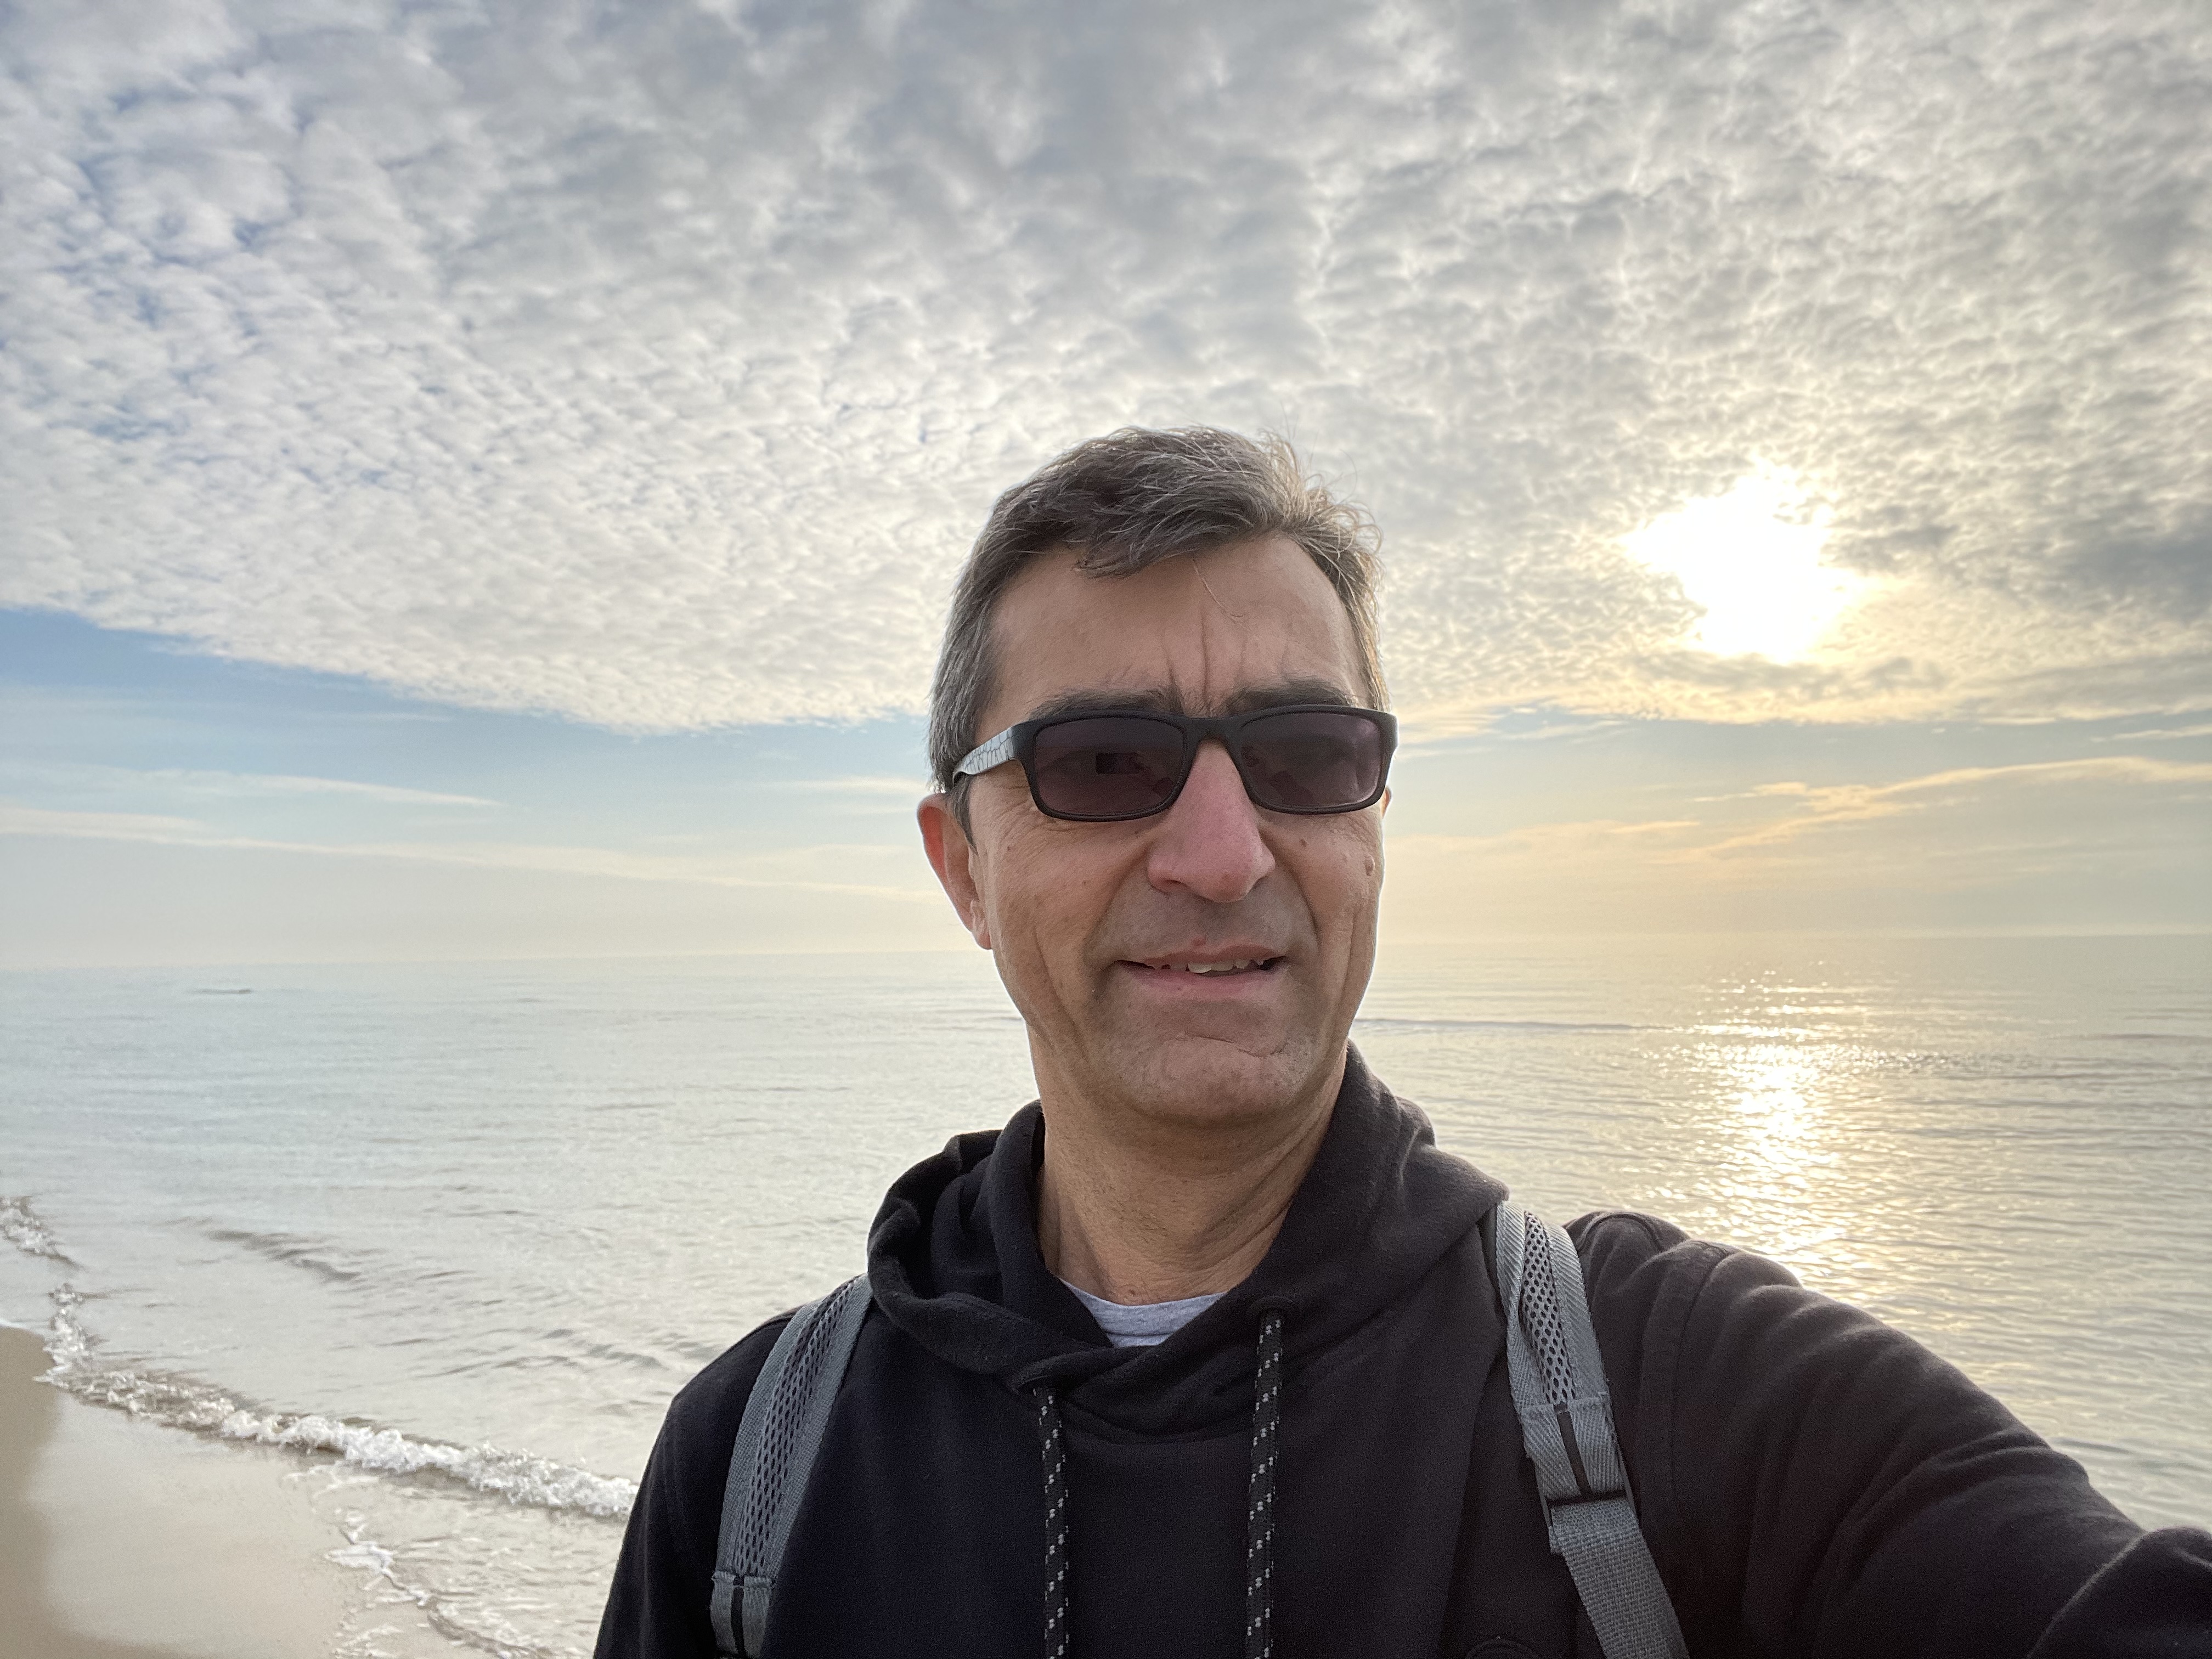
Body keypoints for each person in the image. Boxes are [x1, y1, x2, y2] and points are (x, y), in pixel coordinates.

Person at [596, 427, 2210, 1658]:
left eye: (1306, 754)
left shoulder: (1674, 1398)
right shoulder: (759, 1467)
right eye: (1104, 763)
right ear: (962, 865)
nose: (1222, 852)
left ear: (1373, 826)